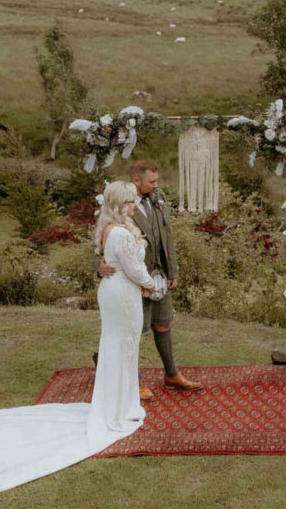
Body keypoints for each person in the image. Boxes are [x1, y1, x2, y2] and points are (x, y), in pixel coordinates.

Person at [0, 181, 157, 493]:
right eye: (130, 202)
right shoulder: (121, 233)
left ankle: (118, 402)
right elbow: (135, 269)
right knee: (122, 347)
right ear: (118, 204)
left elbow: (115, 263)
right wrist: (152, 285)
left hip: (115, 292)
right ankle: (118, 409)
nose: (134, 206)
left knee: (118, 347)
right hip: (123, 294)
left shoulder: (109, 228)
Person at [97, 160, 202, 400]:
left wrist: (172, 270)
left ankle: (172, 374)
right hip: (135, 280)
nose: (156, 185)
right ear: (136, 181)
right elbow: (102, 236)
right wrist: (100, 265)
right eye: (151, 181)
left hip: (160, 277)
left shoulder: (158, 197)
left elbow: (167, 234)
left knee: (164, 324)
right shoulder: (120, 203)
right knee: (134, 330)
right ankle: (134, 379)